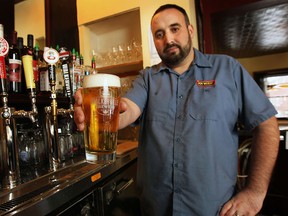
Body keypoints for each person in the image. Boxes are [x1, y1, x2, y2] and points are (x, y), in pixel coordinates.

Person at [74, 4, 280, 216]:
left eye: (175, 29)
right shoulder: (147, 78)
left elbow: (267, 125)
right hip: (156, 209)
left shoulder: (227, 69)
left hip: (216, 210)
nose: (168, 40)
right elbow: (128, 110)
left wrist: (255, 192)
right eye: (159, 34)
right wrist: (101, 113)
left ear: (190, 30)